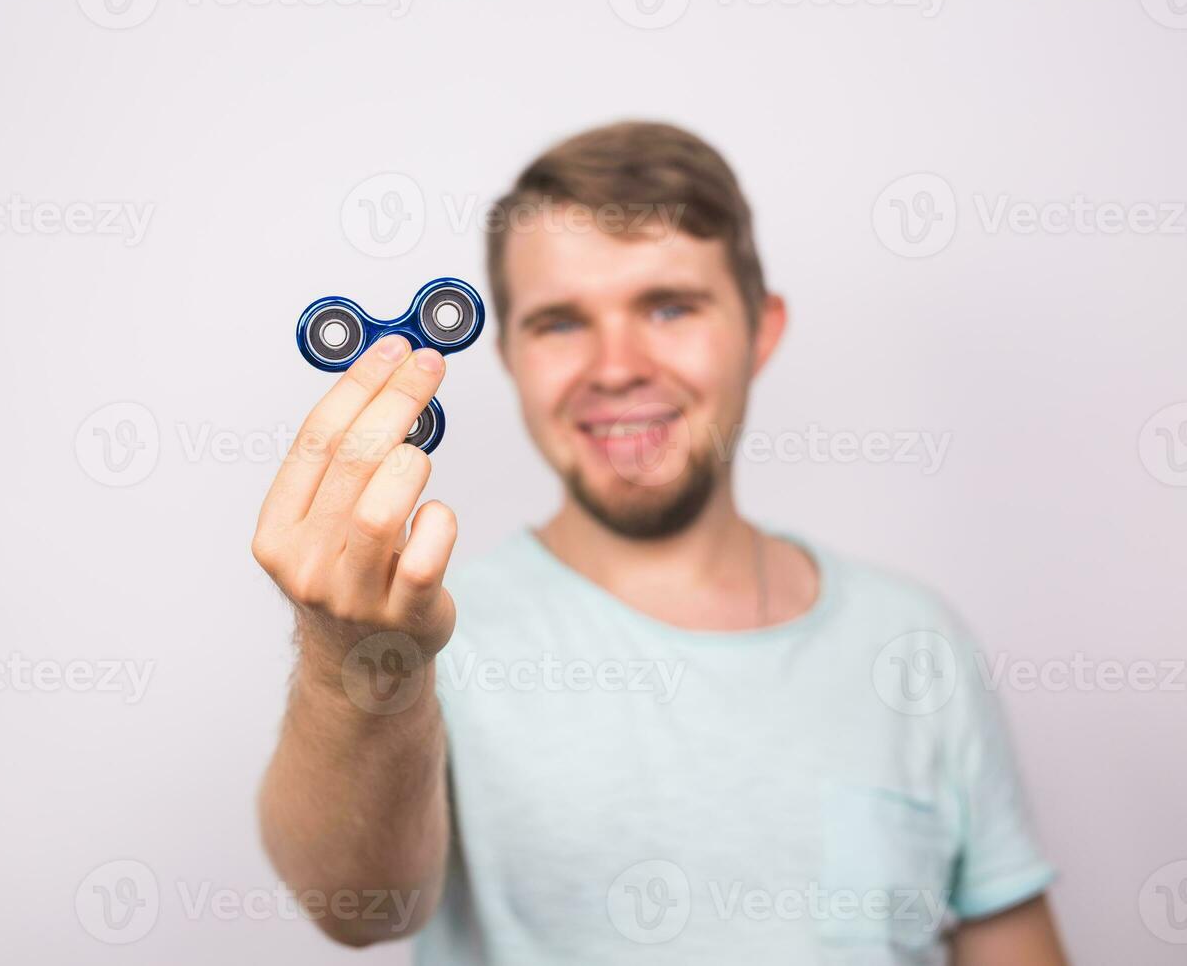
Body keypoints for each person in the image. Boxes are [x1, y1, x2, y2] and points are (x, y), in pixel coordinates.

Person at [250, 121, 1068, 964]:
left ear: (762, 328)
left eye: (669, 307)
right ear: (509, 358)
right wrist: (357, 660)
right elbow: (357, 909)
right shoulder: (429, 636)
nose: (616, 367)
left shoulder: (913, 641)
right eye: (561, 322)